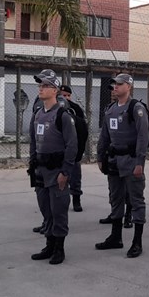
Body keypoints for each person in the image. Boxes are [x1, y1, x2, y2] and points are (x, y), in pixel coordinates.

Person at [95, 73, 149, 258]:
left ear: (129, 86)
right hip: (113, 160)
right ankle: (115, 237)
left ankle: (137, 241)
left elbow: (143, 136)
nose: (115, 87)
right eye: (113, 84)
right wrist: (100, 156)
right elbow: (104, 135)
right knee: (115, 197)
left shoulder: (136, 108)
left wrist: (140, 162)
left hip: (131, 160)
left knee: (136, 200)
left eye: (119, 84)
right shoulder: (110, 109)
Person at [28, 70, 77, 265]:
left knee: (59, 211)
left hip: (57, 172)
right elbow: (33, 141)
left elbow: (71, 145)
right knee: (45, 210)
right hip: (41, 171)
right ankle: (49, 244)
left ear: (55, 90)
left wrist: (65, 171)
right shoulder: (38, 114)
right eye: (39, 85)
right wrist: (32, 165)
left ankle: (59, 248)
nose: (40, 88)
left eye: (45, 85)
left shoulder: (63, 115)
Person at [60, 84, 86, 213]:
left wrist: (79, 152)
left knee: (75, 177)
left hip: (73, 149)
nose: (66, 98)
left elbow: (83, 131)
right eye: (63, 95)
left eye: (68, 95)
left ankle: (76, 199)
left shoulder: (76, 109)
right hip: (58, 150)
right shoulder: (54, 109)